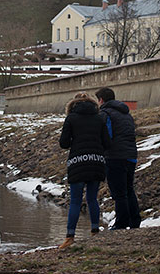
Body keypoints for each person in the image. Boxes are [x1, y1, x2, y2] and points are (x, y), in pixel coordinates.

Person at [58, 92, 110, 249]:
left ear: (73, 104)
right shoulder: (99, 118)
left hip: (77, 162)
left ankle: (69, 237)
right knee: (92, 198)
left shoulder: (71, 118)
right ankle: (95, 232)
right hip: (96, 161)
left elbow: (64, 143)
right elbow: (107, 143)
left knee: (75, 201)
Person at [95, 87, 141, 230]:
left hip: (115, 157)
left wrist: (100, 150)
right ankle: (135, 221)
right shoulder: (126, 114)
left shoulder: (105, 113)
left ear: (101, 100)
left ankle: (121, 223)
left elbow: (106, 136)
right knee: (129, 189)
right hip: (131, 155)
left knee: (119, 192)